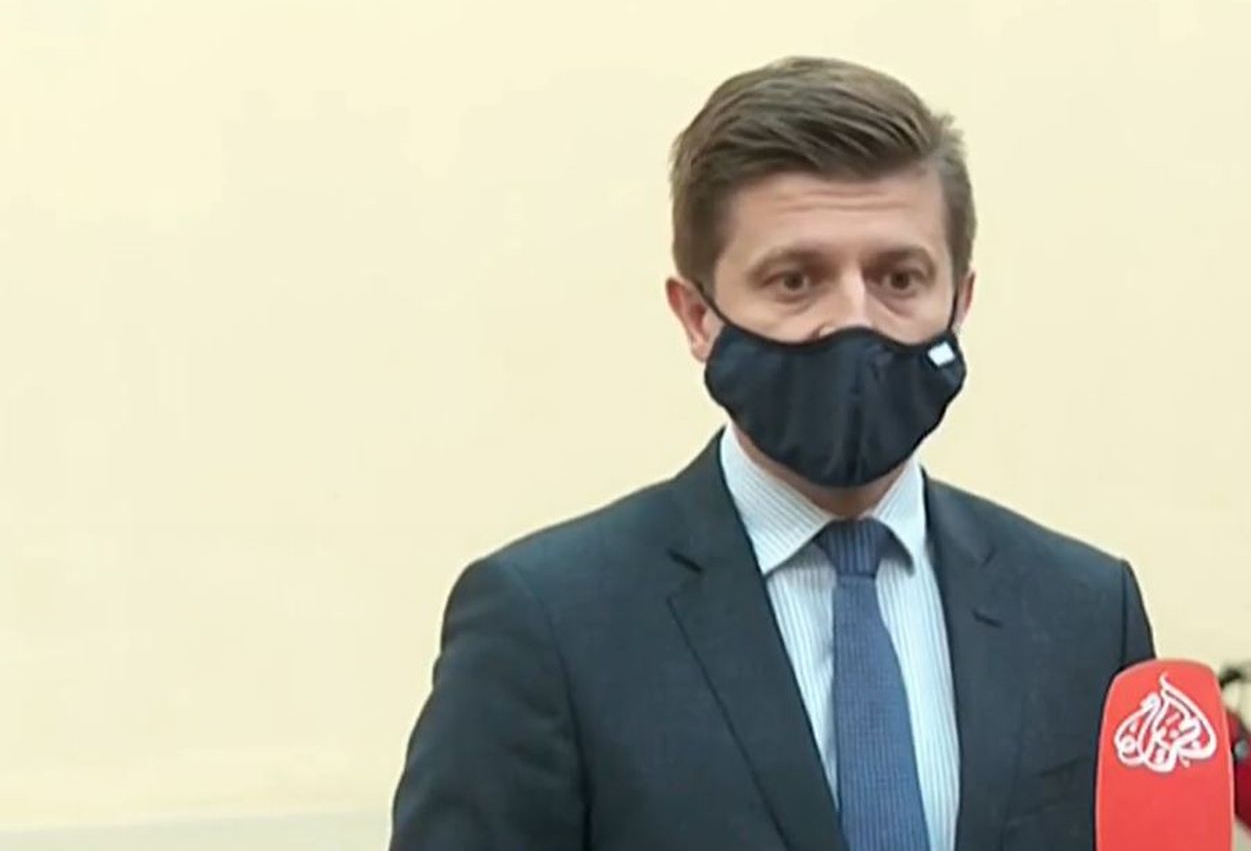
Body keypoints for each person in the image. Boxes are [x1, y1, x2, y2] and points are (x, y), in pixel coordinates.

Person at [389, 55, 1156, 851]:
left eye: (899, 278)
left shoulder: (1084, 613)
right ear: (698, 316)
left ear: (959, 303)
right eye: (795, 281)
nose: (853, 320)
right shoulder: (547, 625)